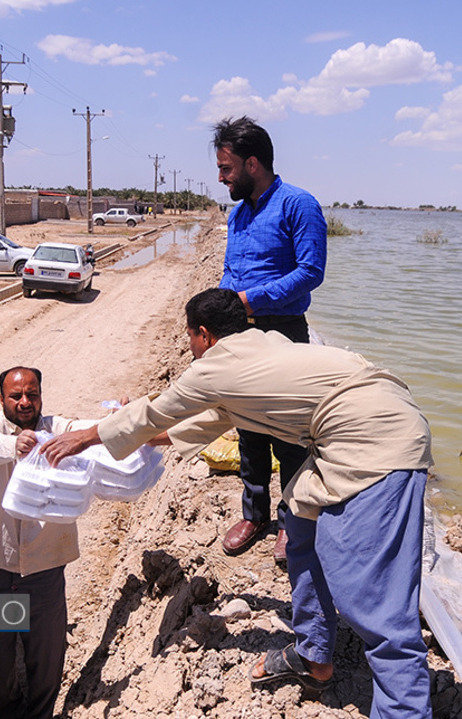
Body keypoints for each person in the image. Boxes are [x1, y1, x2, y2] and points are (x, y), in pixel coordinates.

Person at [41, 289, 434, 718]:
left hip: (376, 438)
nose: (189, 345)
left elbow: (156, 412)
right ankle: (314, 653)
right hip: (361, 423)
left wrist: (83, 437)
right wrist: (130, 436)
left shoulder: (215, 368)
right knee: (300, 523)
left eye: (189, 336)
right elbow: (208, 419)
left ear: (204, 335)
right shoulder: (261, 345)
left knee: (373, 597)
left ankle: (404, 709)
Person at [212, 115, 327, 563]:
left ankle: (291, 521)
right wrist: (222, 310)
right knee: (249, 430)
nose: (222, 178)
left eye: (227, 169)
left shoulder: (299, 205)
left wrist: (248, 300)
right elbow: (230, 271)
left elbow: (309, 274)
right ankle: (254, 513)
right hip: (241, 333)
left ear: (253, 163)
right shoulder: (238, 214)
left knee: (290, 435)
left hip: (283, 332)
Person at [0, 366, 77, 719]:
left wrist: (115, 418)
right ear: (2, 399)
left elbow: (85, 431)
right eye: (16, 396)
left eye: (32, 394)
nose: (24, 402)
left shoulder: (55, 429)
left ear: (41, 396)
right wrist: (14, 445)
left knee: (45, 658)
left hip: (44, 567)